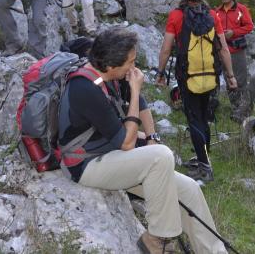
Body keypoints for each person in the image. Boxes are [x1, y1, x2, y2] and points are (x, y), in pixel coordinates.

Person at [57, 29, 228, 254]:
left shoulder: (112, 76)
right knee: (161, 157)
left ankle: (214, 252)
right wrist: (135, 92)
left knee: (189, 190)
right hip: (85, 165)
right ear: (111, 65)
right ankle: (158, 239)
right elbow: (126, 142)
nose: (134, 68)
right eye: (131, 62)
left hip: (110, 156)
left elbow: (142, 106)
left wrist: (152, 138)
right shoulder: (85, 87)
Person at [155, 0, 237, 182]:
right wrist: (231, 76)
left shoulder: (176, 16)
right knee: (204, 116)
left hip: (188, 75)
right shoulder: (212, 15)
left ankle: (204, 166)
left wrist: (160, 73)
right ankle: (203, 158)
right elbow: (223, 48)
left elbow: (166, 48)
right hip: (211, 74)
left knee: (194, 120)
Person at [214, 0, 255, 121]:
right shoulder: (216, 11)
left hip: (237, 50)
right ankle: (235, 108)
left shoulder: (241, 9)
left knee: (240, 80)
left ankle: (243, 110)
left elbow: (249, 26)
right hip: (221, 51)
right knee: (228, 79)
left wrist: (234, 32)